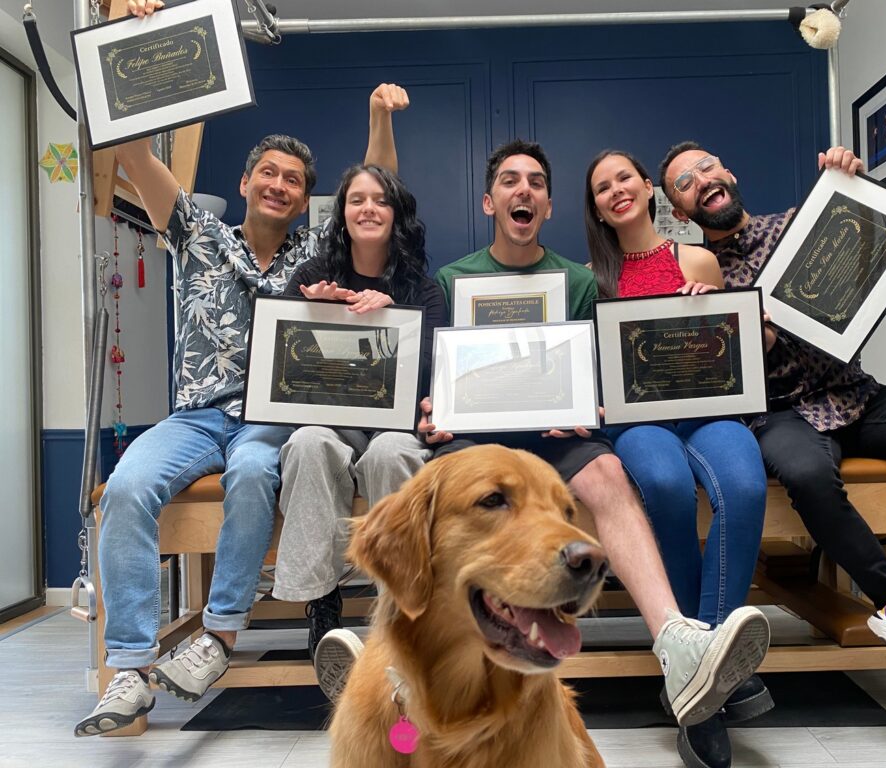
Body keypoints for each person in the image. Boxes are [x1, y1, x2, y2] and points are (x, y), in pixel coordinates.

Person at [74, 0, 406, 735]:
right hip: (195, 417)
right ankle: (129, 667)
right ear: (249, 180)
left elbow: (377, 187)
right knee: (124, 487)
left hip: (267, 419)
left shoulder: (316, 252)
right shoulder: (196, 232)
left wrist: (380, 117)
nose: (280, 185)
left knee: (255, 472)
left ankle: (218, 637)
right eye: (268, 173)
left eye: (294, 180)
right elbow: (132, 154)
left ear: (305, 198)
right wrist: (134, 44)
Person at [425, 139, 771, 732]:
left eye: (536, 183)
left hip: (563, 432)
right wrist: (433, 404)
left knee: (611, 472)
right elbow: (440, 374)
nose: (523, 191)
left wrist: (583, 403)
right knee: (439, 482)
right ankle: (421, 652)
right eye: (509, 181)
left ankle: (681, 644)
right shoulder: (452, 280)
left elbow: (590, 368)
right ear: (489, 201)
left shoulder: (577, 281)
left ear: (549, 206)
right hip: (480, 438)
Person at [659, 141, 886, 702]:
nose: (700, 179)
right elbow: (706, 374)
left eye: (706, 166)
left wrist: (860, 191)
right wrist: (728, 326)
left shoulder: (806, 223)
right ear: (679, 209)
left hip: (854, 395)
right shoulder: (698, 274)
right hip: (779, 415)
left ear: (728, 172)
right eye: (683, 182)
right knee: (807, 474)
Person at [584, 149, 770, 767]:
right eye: (602, 188)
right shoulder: (590, 278)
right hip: (638, 420)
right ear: (598, 209)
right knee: (663, 484)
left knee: (744, 486)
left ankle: (700, 670)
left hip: (709, 409)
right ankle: (712, 680)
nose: (616, 191)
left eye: (625, 179)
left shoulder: (698, 259)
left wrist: (713, 308)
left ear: (647, 188)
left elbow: (733, 348)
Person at [273, 162, 445, 704]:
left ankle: (402, 609)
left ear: (397, 214)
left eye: (380, 200)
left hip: (395, 425)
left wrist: (393, 317)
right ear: (342, 213)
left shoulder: (422, 288)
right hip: (330, 420)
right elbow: (282, 353)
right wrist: (318, 313)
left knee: (392, 453)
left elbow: (433, 370)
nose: (368, 209)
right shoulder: (311, 276)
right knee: (307, 443)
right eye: (356, 200)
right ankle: (322, 606)